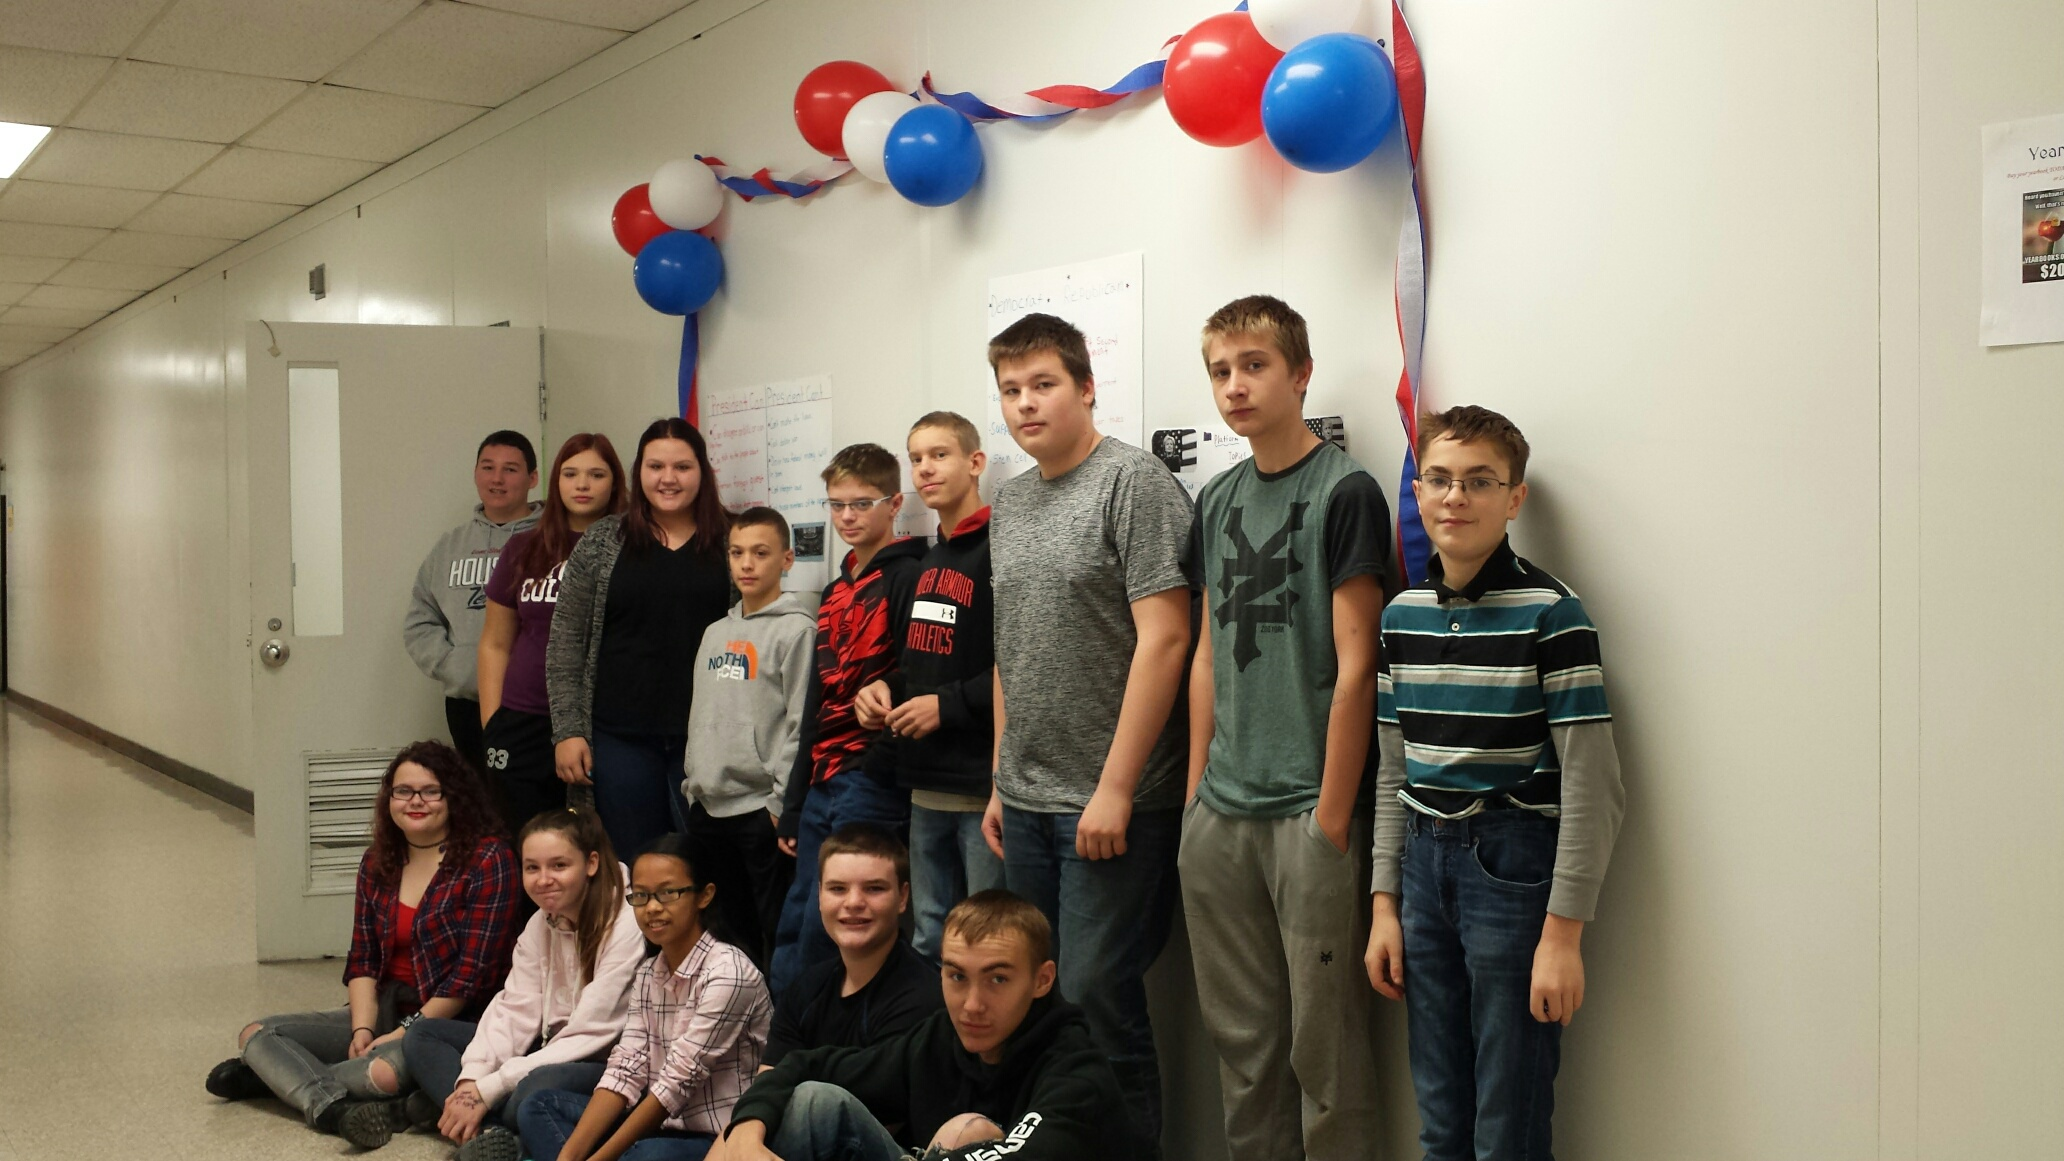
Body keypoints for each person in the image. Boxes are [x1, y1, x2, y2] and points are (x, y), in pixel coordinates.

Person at [1363, 405, 1626, 1160]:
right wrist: (1384, 905)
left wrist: (1563, 935)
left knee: (1508, 1116)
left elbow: (1593, 785)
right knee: (1440, 1114)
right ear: (1417, 493)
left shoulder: (1553, 614)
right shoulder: (1401, 616)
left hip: (1510, 868)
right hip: (1421, 865)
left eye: (1480, 482)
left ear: (1514, 499)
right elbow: (1392, 771)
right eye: (1439, 479)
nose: (1456, 497)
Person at [1179, 296, 1393, 1159]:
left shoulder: (1345, 491)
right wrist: (1195, 797)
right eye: (1221, 371)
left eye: (1254, 365)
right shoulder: (1215, 497)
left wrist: (1332, 819)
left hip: (1308, 808)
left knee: (1325, 1051)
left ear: (1300, 374)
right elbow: (1204, 654)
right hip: (1221, 812)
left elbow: (1357, 666)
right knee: (1242, 1046)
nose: (1235, 385)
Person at [982, 312, 1193, 1153]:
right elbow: (1008, 650)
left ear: (1087, 387)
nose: (1026, 404)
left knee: (1099, 997)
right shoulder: (1010, 502)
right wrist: (1000, 777)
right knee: (1037, 1007)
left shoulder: (1132, 482)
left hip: (1113, 804)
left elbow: (1167, 639)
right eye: (1011, 390)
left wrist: (1115, 787)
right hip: (1027, 799)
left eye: (1044, 384)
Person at [206, 741, 519, 1149]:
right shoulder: (378, 860)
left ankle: (275, 1080)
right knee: (258, 1034)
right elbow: (363, 960)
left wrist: (402, 1033)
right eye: (403, 791)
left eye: (430, 791)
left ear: (454, 797)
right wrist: (363, 1028)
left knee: (380, 1073)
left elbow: (469, 979)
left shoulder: (488, 860)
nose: (415, 801)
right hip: (387, 1005)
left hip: (448, 1023)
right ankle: (332, 1107)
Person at [718, 890, 1127, 1161]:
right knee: (814, 1103)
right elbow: (803, 1066)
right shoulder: (936, 1040)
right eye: (957, 976)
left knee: (968, 1131)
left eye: (998, 979)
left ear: (1042, 980)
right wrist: (746, 1129)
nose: (972, 1004)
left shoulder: (1076, 1070)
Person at [402, 807, 647, 1161]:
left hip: (604, 1062)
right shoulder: (540, 922)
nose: (543, 879)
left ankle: (453, 1116)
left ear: (591, 864)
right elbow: (515, 1008)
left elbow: (592, 1033)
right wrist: (472, 1083)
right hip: (544, 1048)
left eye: (559, 866)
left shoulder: (626, 924)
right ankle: (491, 1136)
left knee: (530, 1091)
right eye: (532, 868)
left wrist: (494, 1086)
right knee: (423, 1035)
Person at [769, 444, 925, 994]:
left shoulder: (910, 576)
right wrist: (794, 803)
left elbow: (918, 674)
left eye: (862, 503)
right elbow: (815, 700)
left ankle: (832, 1030)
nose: (847, 517)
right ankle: (787, 1030)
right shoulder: (835, 590)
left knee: (841, 926)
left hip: (871, 776)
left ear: (894, 504)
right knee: (799, 913)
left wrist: (878, 766)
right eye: (836, 505)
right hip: (822, 778)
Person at [517, 834, 773, 1161]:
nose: (652, 908)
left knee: (644, 1155)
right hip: (662, 1127)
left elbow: (676, 1084)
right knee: (538, 1106)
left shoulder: (728, 972)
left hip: (717, 1137)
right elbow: (626, 1068)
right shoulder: (649, 972)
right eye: (640, 895)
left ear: (704, 896)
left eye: (668, 893)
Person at [853, 412, 1003, 958]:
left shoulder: (1001, 548)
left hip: (981, 786)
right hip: (925, 783)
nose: (925, 469)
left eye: (940, 455)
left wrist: (947, 706)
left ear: (975, 462)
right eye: (916, 458)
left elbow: (1021, 667)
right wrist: (885, 688)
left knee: (986, 937)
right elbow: (925, 663)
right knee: (928, 934)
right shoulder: (930, 558)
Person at [547, 418, 732, 863]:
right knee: (636, 864)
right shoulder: (602, 541)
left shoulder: (733, 540)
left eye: (682, 467)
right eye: (656, 466)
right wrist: (568, 732)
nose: (668, 478)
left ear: (703, 472)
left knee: (707, 865)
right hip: (619, 737)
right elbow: (566, 642)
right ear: (639, 472)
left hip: (708, 737)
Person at [683, 507, 816, 968]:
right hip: (709, 806)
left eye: (760, 553)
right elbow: (702, 715)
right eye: (737, 553)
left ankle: (778, 1013)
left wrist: (779, 804)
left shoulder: (797, 630)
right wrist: (693, 784)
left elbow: (801, 723)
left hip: (760, 810)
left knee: (775, 928)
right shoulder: (714, 633)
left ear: (787, 559)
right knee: (727, 933)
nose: (747, 564)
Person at [480, 434, 628, 836]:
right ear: (554, 481)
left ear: (615, 482)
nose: (582, 485)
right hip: (522, 718)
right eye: (570, 473)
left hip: (597, 722)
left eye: (596, 474)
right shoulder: (524, 547)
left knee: (593, 841)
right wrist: (493, 722)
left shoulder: (629, 550)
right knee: (526, 840)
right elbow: (495, 642)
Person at [407, 431, 542, 776]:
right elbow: (421, 619)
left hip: (534, 704)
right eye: (488, 467)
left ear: (532, 478)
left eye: (510, 469)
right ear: (476, 474)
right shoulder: (450, 545)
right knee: (478, 796)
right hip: (467, 702)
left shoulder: (550, 537)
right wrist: (455, 665)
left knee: (529, 799)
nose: (497, 479)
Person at [760, 824, 942, 1076]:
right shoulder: (804, 989)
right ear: (819, 896)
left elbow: (874, 1093)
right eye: (837, 889)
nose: (854, 902)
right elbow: (767, 1085)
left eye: (874, 888)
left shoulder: (926, 999)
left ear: (902, 898)